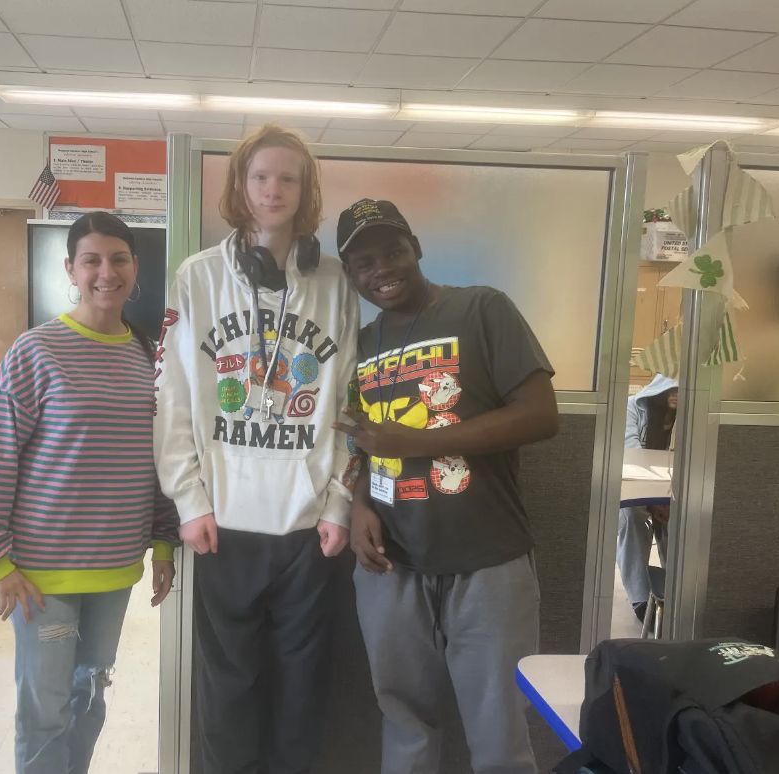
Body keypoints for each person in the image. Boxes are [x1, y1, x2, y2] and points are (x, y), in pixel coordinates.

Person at [154, 124, 359, 774]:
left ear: (307, 191)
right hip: (224, 521)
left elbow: (350, 402)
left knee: (302, 694)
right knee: (227, 690)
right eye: (261, 177)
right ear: (241, 186)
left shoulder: (336, 283)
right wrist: (187, 499)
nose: (273, 191)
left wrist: (340, 505)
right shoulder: (197, 277)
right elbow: (175, 397)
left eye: (288, 178)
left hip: (307, 526)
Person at [333, 199, 559, 774]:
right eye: (364, 263)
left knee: (500, 730)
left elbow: (540, 416)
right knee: (403, 717)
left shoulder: (482, 309)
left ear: (417, 248)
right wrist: (359, 504)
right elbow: (363, 441)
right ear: (350, 275)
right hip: (392, 565)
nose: (382, 269)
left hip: (486, 560)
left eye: (393, 252)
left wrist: (413, 444)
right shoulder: (358, 347)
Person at [0, 211, 180, 774]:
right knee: (46, 709)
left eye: (118, 258)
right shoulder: (36, 352)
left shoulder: (147, 358)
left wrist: (164, 543)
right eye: (92, 260)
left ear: (135, 267)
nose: (107, 271)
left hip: (115, 568)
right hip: (41, 575)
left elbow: (156, 459)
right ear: (71, 271)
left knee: (90, 695)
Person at [618, 373, 678, 622]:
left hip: (676, 484)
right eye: (671, 389)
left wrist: (667, 500)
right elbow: (631, 451)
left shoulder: (693, 416)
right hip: (634, 480)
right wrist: (652, 501)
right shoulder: (633, 407)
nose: (676, 395)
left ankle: (673, 591)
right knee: (633, 515)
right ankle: (641, 598)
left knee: (679, 518)